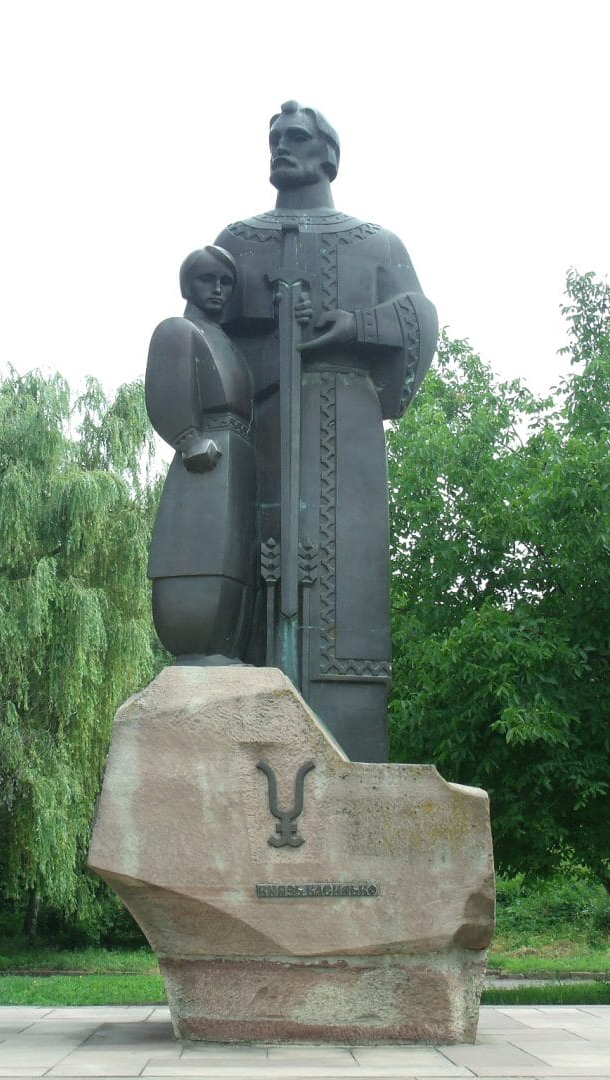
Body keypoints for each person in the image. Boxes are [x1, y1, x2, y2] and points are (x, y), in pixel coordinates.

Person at [214, 101, 437, 762]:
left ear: (328, 156)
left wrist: (354, 328)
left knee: (347, 601)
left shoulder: (375, 243)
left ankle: (344, 757)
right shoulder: (239, 239)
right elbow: (201, 332)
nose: (281, 147)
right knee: (257, 576)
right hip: (261, 429)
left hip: (348, 433)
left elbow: (418, 319)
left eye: (297, 138)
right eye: (275, 138)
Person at [145, 245, 256, 664]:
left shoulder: (224, 340)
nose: (218, 290)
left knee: (235, 554)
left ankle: (228, 645)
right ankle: (198, 642)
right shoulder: (179, 330)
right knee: (206, 550)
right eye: (208, 280)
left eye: (226, 283)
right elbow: (166, 386)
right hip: (207, 456)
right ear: (187, 283)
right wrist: (188, 437)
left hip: (237, 454)